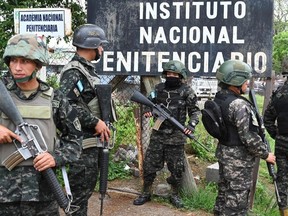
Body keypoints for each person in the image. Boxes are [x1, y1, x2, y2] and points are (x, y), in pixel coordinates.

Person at [0, 34, 82, 215]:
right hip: (3, 194)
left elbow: (75, 140)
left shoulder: (55, 98)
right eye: (13, 60)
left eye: (24, 61)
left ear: (38, 64)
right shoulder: (1, 91)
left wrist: (55, 157)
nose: (17, 67)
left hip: (42, 193)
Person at [59, 24, 111, 215]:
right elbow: (64, 105)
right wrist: (94, 122)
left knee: (84, 193)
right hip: (81, 145)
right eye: (101, 46)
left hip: (90, 144)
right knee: (79, 196)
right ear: (93, 46)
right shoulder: (75, 72)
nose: (102, 50)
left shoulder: (85, 71)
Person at [133, 60, 201, 208]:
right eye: (168, 73)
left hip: (176, 137)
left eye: (174, 74)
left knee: (176, 168)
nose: (171, 76)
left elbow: (195, 111)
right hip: (158, 135)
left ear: (180, 75)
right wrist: (149, 112)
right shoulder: (158, 89)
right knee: (150, 165)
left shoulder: (187, 91)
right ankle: (146, 192)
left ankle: (174, 195)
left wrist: (191, 125)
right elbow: (147, 103)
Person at [213, 59, 276, 215]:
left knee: (223, 195)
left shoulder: (220, 98)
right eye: (245, 80)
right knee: (237, 203)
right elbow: (248, 136)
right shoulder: (239, 105)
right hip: (238, 162)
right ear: (236, 81)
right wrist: (266, 154)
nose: (248, 83)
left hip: (224, 154)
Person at [264, 75, 288, 216]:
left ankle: (284, 212)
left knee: (283, 180)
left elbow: (267, 119)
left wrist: (277, 136)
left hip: (282, 144)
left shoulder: (279, 94)